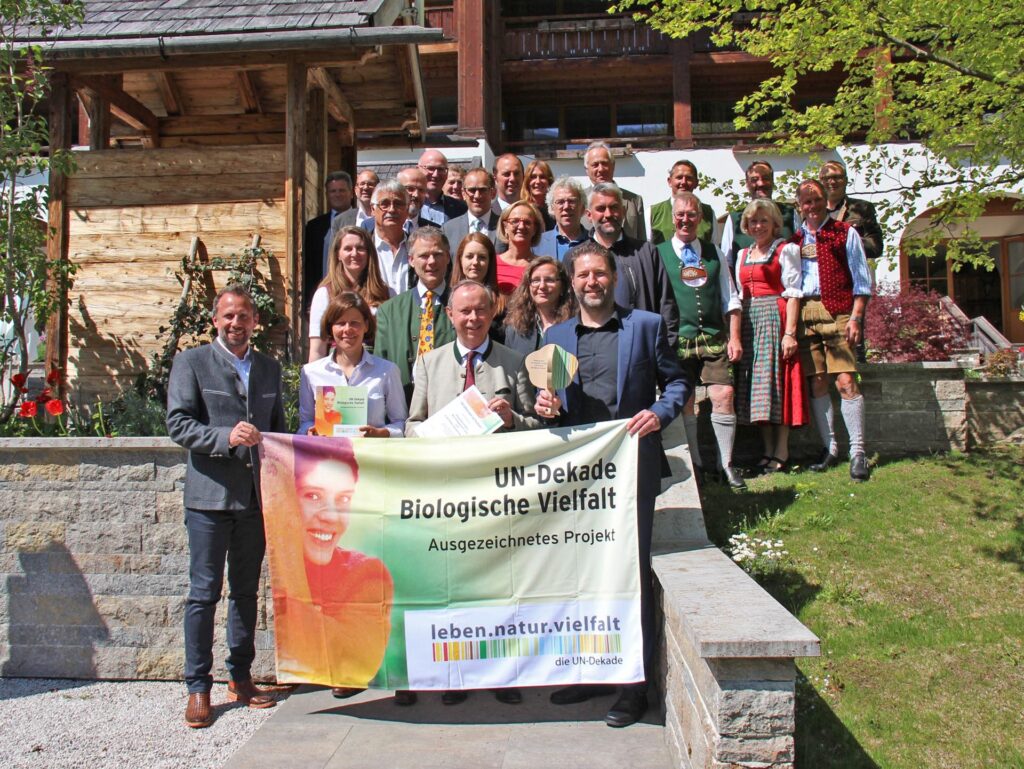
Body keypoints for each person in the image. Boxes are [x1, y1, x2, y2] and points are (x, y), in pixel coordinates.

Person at [536, 242, 689, 729]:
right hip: (578, 477)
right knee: (579, 575)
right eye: (582, 276)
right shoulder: (556, 334)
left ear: (613, 277)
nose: (591, 282)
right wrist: (547, 409)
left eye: (599, 274)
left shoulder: (644, 325)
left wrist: (659, 412)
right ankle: (592, 671)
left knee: (629, 575)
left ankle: (633, 685)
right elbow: (553, 403)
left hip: (631, 472)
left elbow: (678, 384)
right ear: (572, 282)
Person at [166, 286, 285, 729]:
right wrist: (223, 439)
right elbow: (178, 423)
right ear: (216, 320)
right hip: (208, 499)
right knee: (203, 593)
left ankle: (241, 677)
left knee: (246, 593)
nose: (237, 324)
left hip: (254, 501)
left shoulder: (270, 369)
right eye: (229, 316)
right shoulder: (192, 363)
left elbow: (277, 433)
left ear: (255, 321)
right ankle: (198, 685)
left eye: (245, 317)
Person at [269, 435, 394, 691]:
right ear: (288, 497)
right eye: (313, 496)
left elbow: (359, 660)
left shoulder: (367, 573)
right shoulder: (272, 560)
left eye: (344, 499)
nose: (331, 516)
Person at [655, 192, 745, 489]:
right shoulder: (659, 253)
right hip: (677, 340)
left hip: (713, 338)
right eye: (680, 214)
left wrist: (734, 337)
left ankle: (726, 464)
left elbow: (730, 297)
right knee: (686, 402)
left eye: (691, 214)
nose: (685, 219)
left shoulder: (714, 251)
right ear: (672, 218)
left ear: (700, 218)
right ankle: (696, 464)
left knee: (724, 396)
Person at [793, 179, 873, 481]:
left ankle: (858, 452)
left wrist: (856, 317)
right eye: (805, 201)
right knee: (817, 383)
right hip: (806, 312)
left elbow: (862, 279)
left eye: (815, 200)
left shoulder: (845, 233)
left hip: (838, 310)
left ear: (825, 200)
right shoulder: (794, 240)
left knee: (844, 380)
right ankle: (831, 448)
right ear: (799, 205)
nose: (810, 206)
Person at [733, 200, 808, 473]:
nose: (758, 226)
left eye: (764, 221)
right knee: (757, 388)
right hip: (749, 321)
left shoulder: (786, 249)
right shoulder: (743, 254)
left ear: (775, 223)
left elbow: (792, 293)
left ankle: (782, 450)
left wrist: (789, 332)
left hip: (775, 319)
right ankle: (765, 450)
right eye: (753, 221)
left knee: (778, 384)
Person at [300, 292, 408, 438]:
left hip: (370, 457)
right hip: (326, 458)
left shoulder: (387, 371)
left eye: (355, 323)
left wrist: (381, 433)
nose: (347, 329)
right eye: (340, 323)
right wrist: (310, 431)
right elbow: (304, 422)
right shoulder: (310, 373)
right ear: (331, 327)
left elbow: (401, 423)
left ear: (366, 326)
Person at [587, 182, 679, 348]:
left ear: (623, 211)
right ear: (589, 215)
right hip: (594, 351)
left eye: (614, 207)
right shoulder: (577, 257)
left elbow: (667, 305)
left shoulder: (647, 252)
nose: (608, 214)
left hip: (642, 349)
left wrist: (666, 350)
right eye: (601, 208)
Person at [373, 226, 456, 403]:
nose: (431, 262)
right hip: (401, 404)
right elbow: (380, 365)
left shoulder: (463, 305)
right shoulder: (389, 310)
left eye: (438, 254)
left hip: (450, 404)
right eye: (423, 256)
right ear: (411, 260)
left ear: (448, 258)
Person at [819, 160, 883, 363]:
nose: (832, 182)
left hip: (851, 286)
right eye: (827, 178)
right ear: (821, 182)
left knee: (853, 344)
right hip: (820, 286)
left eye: (837, 177)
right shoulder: (810, 210)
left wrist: (843, 242)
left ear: (846, 180)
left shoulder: (861, 209)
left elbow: (876, 247)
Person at [308, 226, 391, 361]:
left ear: (369, 253)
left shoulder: (386, 293)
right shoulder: (325, 294)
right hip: (337, 370)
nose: (354, 253)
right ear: (338, 255)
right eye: (348, 249)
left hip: (375, 372)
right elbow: (317, 350)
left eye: (360, 248)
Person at [721, 160, 798, 271]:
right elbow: (727, 262)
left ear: (772, 181)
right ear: (747, 184)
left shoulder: (790, 213)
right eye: (754, 180)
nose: (761, 183)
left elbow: (801, 253)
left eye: (765, 178)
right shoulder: (734, 219)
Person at [502, 256, 576, 355]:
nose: (542, 286)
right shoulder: (515, 328)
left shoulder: (576, 326)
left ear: (562, 286)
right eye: (536, 280)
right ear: (528, 287)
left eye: (549, 280)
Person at [303, 171, 354, 311]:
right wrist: (310, 298)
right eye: (333, 191)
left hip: (354, 294)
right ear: (327, 195)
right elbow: (309, 266)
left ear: (351, 193)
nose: (337, 194)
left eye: (342, 190)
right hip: (324, 295)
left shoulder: (361, 222)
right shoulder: (314, 227)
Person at [582, 142, 646, 241]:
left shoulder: (634, 200)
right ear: (586, 170)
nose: (601, 169)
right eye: (595, 165)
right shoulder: (579, 200)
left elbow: (642, 241)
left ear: (613, 166)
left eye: (604, 163)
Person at [649, 160, 715, 245]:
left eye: (689, 178)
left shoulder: (708, 213)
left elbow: (714, 248)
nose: (683, 182)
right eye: (679, 177)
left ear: (696, 183)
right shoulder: (653, 213)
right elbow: (646, 251)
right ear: (669, 181)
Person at [452, 232, 506, 330]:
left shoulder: (501, 304)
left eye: (482, 257)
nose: (475, 262)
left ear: (490, 262)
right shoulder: (446, 298)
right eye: (469, 256)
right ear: (460, 259)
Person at [443, 167, 501, 254]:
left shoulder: (504, 227)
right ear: (463, 193)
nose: (477, 196)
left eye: (482, 190)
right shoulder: (448, 229)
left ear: (493, 193)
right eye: (472, 190)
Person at [495, 200, 547, 296]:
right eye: (515, 221)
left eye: (527, 222)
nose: (521, 226)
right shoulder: (492, 263)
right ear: (505, 227)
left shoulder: (542, 266)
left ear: (535, 229)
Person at [370, 180, 413, 296]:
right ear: (373, 209)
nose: (392, 209)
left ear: (407, 210)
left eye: (398, 204)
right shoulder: (364, 248)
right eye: (384, 204)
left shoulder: (416, 248)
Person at [537, 176, 589, 261]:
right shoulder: (537, 244)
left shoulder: (595, 242)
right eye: (560, 202)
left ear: (582, 207)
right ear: (551, 208)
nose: (566, 207)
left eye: (572, 201)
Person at [418, 149, 468, 225]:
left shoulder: (462, 209)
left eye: (440, 169)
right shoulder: (406, 205)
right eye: (430, 168)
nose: (435, 174)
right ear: (418, 169)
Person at [330, 169, 378, 236]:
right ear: (355, 190)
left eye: (370, 184)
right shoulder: (340, 221)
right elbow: (335, 246)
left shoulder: (387, 218)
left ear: (378, 189)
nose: (366, 187)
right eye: (362, 184)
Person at [521, 159, 556, 231]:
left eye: (542, 177)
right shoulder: (521, 209)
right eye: (533, 177)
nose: (538, 181)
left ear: (549, 181)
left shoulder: (555, 209)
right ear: (527, 181)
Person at [397, 167, 433, 232]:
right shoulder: (378, 227)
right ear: (396, 190)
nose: (416, 195)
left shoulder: (433, 230)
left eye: (421, 190)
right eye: (410, 189)